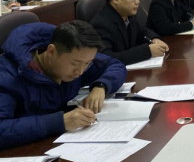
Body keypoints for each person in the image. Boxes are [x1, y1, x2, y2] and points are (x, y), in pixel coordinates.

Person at [0, 21, 127, 150]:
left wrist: (101, 86)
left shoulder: (77, 55)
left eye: (87, 63)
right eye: (74, 64)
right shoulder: (7, 76)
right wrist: (60, 122)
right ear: (51, 51)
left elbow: (115, 65)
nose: (80, 71)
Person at [90, 0, 169, 65]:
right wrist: (147, 51)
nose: (137, 2)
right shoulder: (101, 24)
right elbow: (106, 58)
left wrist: (155, 39)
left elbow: (143, 32)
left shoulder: (128, 15)